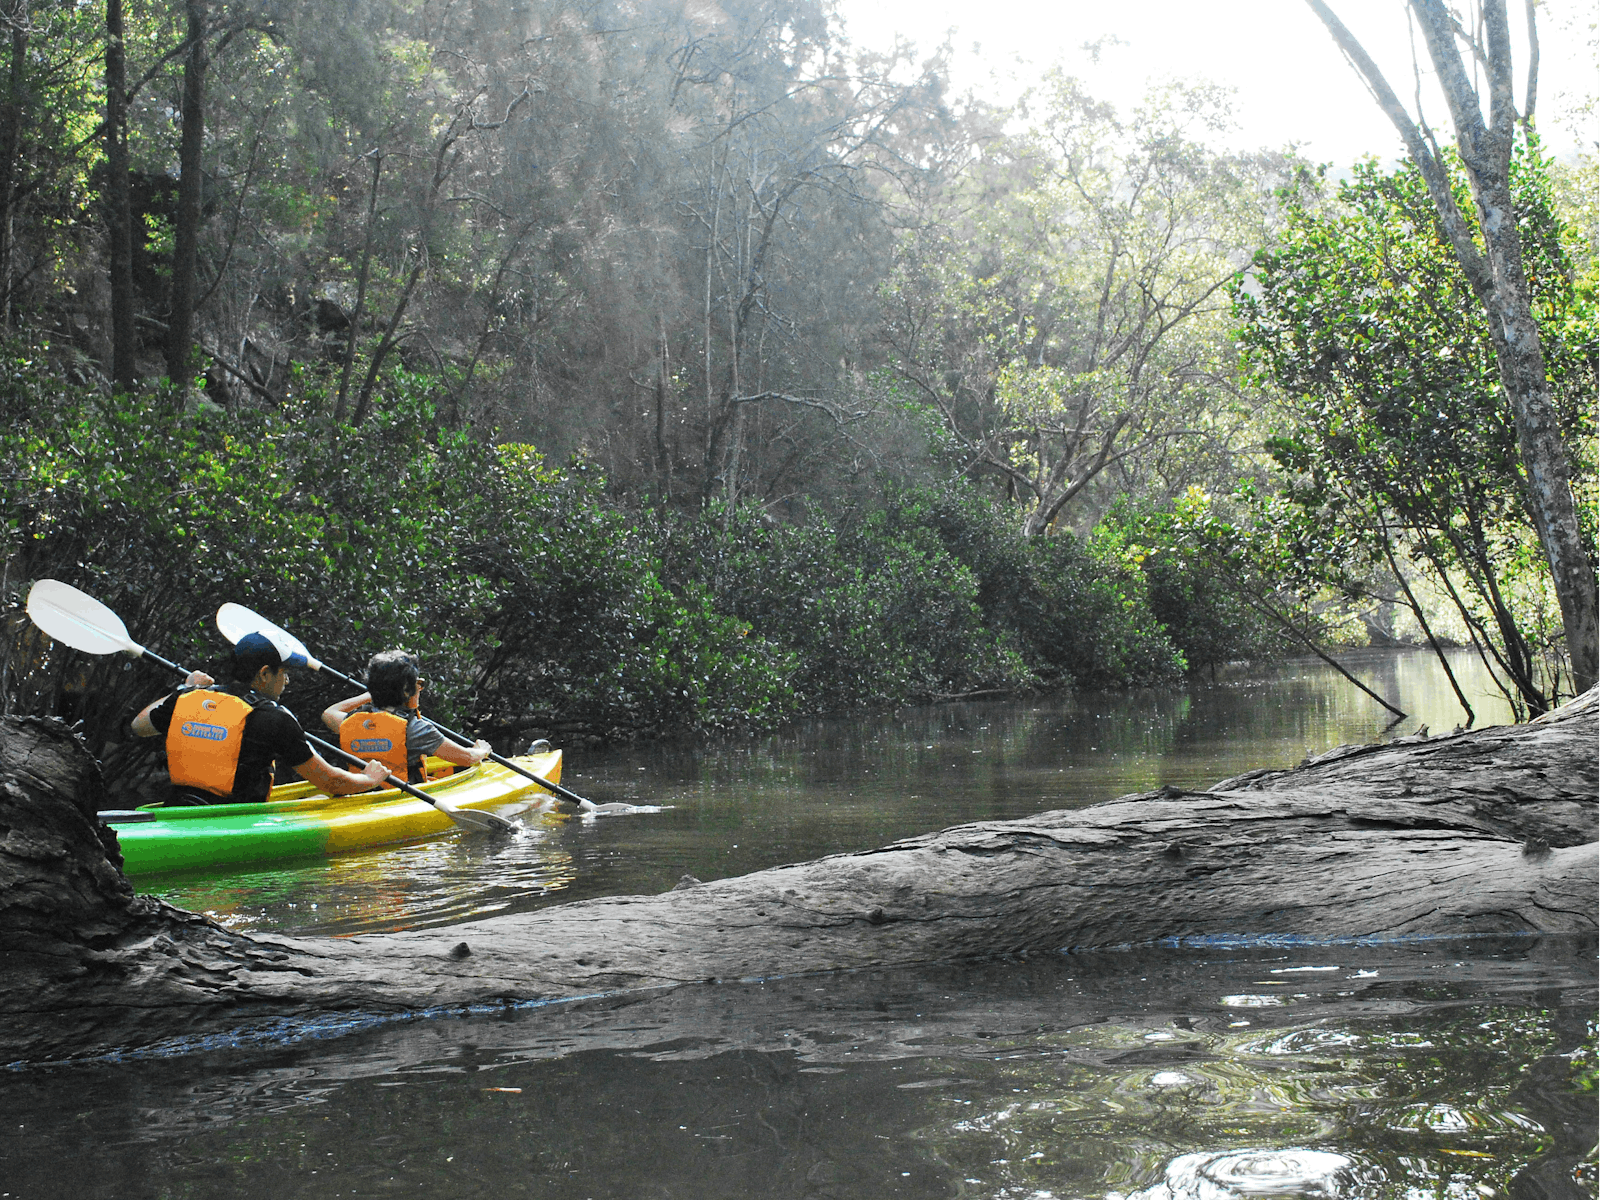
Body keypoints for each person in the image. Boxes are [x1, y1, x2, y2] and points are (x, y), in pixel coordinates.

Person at [133, 632, 390, 805]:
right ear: (265, 674)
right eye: (284, 672)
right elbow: (331, 781)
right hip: (234, 822)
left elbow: (139, 726)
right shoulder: (274, 718)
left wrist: (184, 688)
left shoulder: (187, 698)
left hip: (177, 809)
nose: (287, 681)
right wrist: (369, 779)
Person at [322, 649, 491, 784]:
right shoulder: (416, 730)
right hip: (401, 799)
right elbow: (466, 758)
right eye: (417, 683)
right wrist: (481, 750)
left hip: (362, 794)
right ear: (407, 689)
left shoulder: (350, 722)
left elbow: (329, 713)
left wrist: (372, 693)